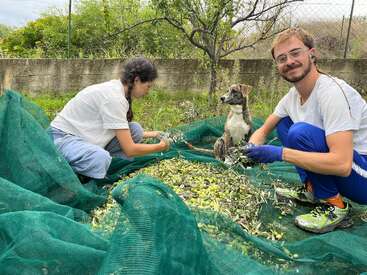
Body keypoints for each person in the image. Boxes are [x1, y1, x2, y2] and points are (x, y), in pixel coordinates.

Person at [244, 27, 367, 233]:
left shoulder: (332, 92)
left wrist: (279, 153)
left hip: (361, 174)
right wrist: (248, 150)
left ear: (312, 53)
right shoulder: (292, 97)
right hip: (345, 168)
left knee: (300, 132)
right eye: (281, 58)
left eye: (295, 53)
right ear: (277, 66)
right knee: (283, 124)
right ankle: (313, 190)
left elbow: (342, 165)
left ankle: (335, 206)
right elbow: (264, 130)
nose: (289, 61)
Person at [48, 57, 170, 181]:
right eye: (148, 86)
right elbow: (130, 149)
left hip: (82, 136)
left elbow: (119, 129)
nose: (148, 91)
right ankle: (79, 176)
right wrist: (161, 146)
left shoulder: (118, 90)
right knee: (100, 158)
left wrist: (153, 134)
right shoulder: (114, 98)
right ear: (137, 80)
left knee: (135, 130)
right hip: (61, 139)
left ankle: (96, 167)